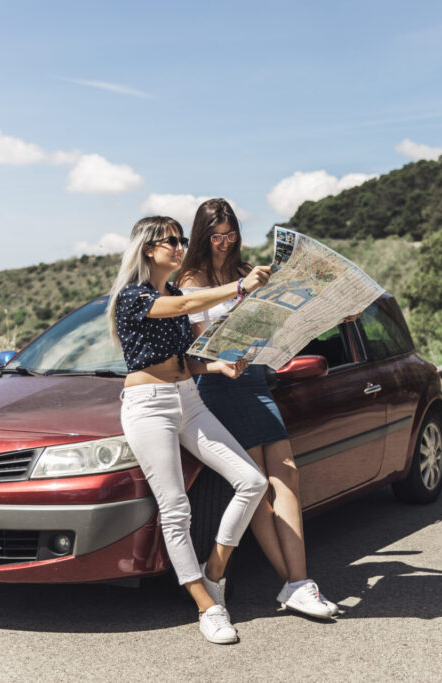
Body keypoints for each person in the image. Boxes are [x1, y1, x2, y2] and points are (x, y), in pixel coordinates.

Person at [107, 215, 273, 643]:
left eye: (182, 240)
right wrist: (239, 286)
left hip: (189, 399)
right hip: (149, 408)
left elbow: (188, 356)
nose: (179, 247)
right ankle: (207, 605)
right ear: (148, 249)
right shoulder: (133, 297)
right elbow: (185, 307)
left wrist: (217, 365)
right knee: (176, 509)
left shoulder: (176, 292)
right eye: (171, 241)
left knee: (252, 481)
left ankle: (214, 569)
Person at [177, 198, 339, 619]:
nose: (225, 244)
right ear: (202, 236)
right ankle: (294, 583)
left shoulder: (246, 272)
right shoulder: (189, 282)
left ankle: (300, 582)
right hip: (218, 384)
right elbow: (193, 352)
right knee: (258, 490)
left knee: (287, 475)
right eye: (217, 237)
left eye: (231, 236)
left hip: (254, 380)